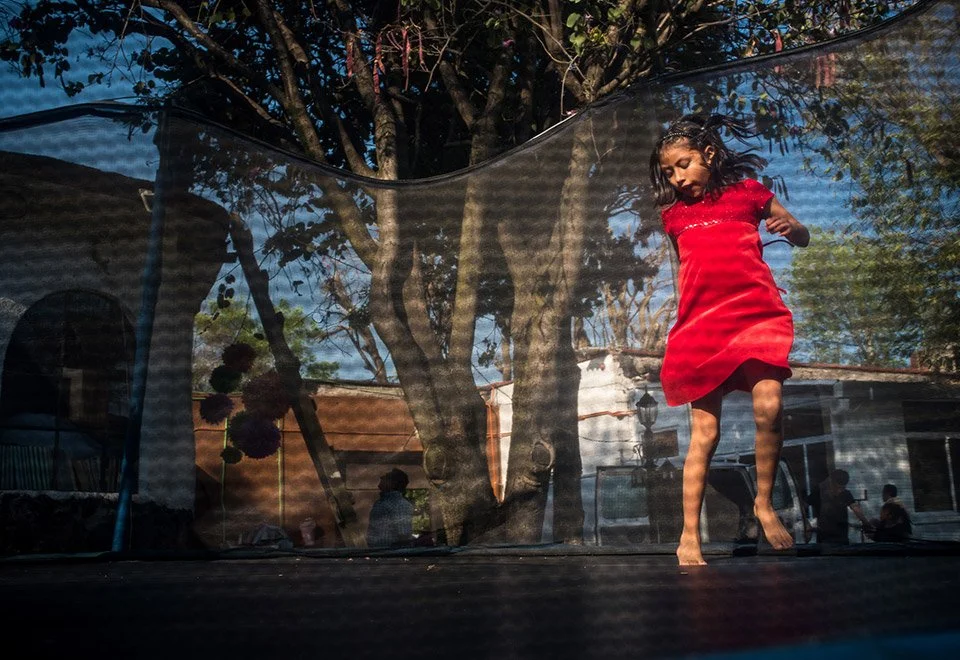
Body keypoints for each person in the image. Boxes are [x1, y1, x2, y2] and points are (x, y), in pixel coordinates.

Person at [648, 114, 810, 566]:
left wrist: (791, 231)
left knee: (770, 406)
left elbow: (802, 235)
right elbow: (688, 273)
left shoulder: (750, 194)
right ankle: (689, 533)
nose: (678, 178)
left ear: (710, 156)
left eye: (684, 165)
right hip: (702, 326)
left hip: (754, 313)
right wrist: (682, 325)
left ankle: (762, 502)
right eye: (669, 173)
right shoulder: (674, 216)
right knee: (705, 432)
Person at [813, 469, 870, 544]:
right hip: (824, 538)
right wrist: (807, 524)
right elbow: (803, 506)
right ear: (831, 483)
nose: (840, 491)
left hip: (841, 537)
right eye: (837, 488)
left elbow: (855, 508)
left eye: (842, 488)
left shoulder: (846, 494)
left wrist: (866, 523)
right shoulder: (819, 494)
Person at [366, 467, 415, 548]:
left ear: (393, 483)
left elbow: (404, 535)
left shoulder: (400, 504)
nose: (381, 477)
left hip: (391, 556)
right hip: (378, 554)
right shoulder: (381, 502)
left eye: (386, 477)